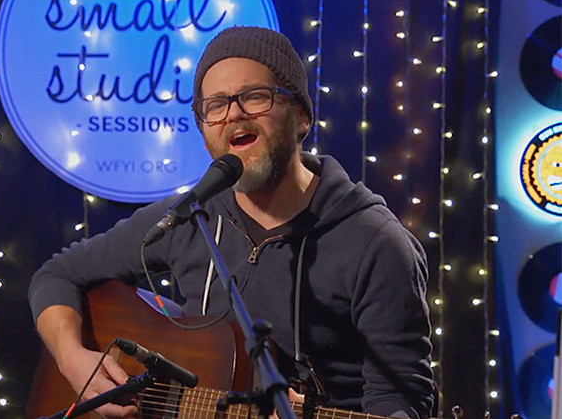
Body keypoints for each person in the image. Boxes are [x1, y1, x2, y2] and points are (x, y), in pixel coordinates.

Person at [29, 26, 434, 418]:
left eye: (255, 97)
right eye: (216, 105)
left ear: (302, 117)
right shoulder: (189, 217)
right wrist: (73, 360)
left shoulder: (376, 243)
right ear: (205, 133)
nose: (234, 115)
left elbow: (400, 401)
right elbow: (57, 275)